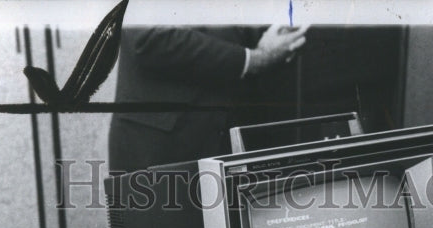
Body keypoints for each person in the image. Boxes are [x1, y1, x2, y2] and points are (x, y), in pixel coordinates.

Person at [109, 24, 307, 171]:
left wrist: (276, 37)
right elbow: (148, 39)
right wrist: (254, 58)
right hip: (161, 149)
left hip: (226, 141)